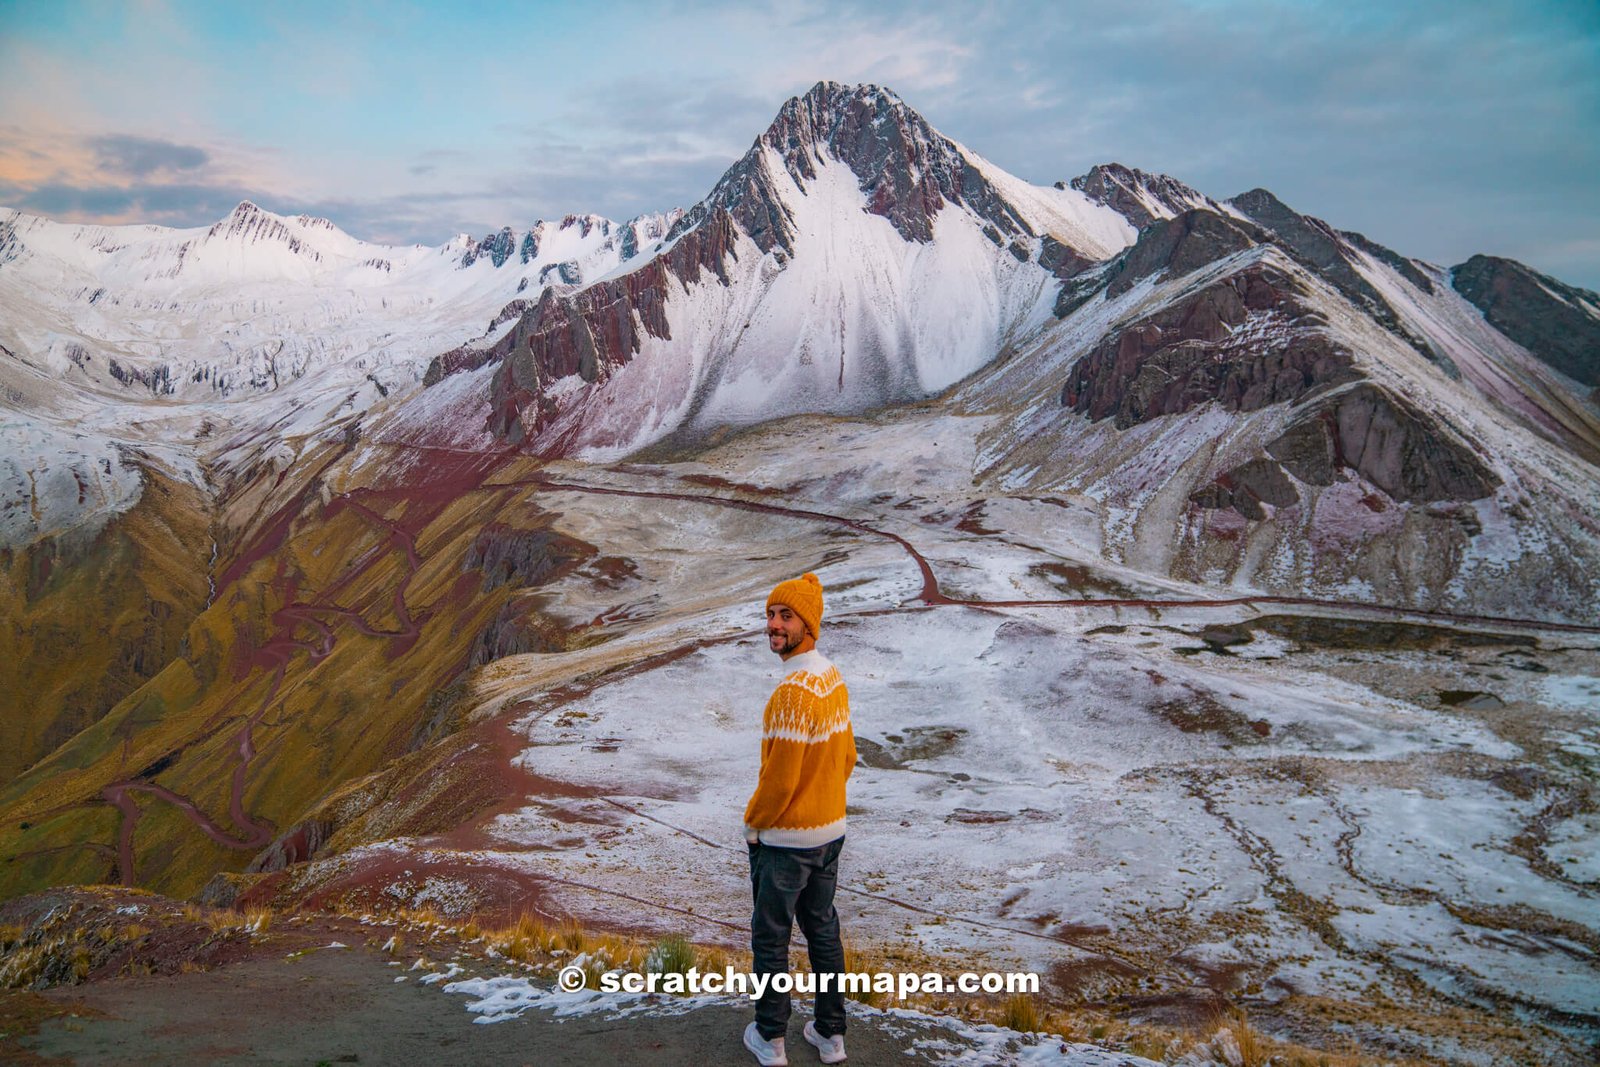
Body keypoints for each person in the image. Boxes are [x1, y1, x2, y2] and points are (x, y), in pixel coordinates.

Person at [742, 572, 856, 1066]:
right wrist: (824, 801)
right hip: (830, 833)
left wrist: (754, 824)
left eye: (785, 616)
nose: (774, 624)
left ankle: (770, 1039)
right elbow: (847, 756)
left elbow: (780, 782)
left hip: (787, 842)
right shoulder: (831, 678)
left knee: (771, 937)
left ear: (808, 624)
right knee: (822, 931)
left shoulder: (791, 694)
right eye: (771, 614)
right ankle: (831, 1036)